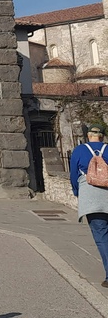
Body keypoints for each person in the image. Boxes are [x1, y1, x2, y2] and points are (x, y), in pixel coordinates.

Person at [69, 123, 108, 288]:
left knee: (101, 236)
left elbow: (72, 175)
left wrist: (78, 192)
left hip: (91, 197)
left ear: (88, 135)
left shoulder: (79, 150)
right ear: (103, 136)